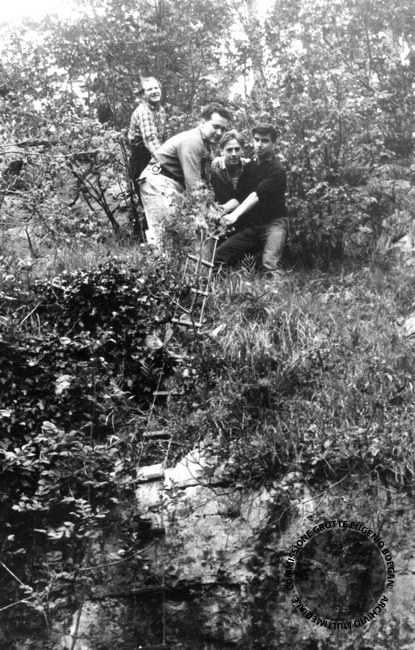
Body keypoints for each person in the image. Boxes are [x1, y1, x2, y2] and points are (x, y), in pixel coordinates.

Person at [139, 103, 232, 244]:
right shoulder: (193, 141)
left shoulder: (206, 144)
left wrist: (211, 206)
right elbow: (193, 184)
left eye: (223, 129)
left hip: (172, 184)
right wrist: (200, 215)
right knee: (167, 235)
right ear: (202, 123)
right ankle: (157, 256)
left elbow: (204, 182)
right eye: (216, 126)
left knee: (181, 234)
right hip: (158, 182)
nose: (219, 133)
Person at [214, 123, 287, 274]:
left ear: (273, 143)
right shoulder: (249, 168)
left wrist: (234, 215)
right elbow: (239, 198)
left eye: (265, 141)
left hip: (274, 224)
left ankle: (278, 287)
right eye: (256, 139)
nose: (259, 144)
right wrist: (220, 210)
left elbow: (257, 195)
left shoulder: (277, 169)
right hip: (253, 226)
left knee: (269, 264)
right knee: (218, 256)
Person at [127, 76, 167, 199]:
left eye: (156, 88)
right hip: (141, 160)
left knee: (162, 194)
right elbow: (151, 139)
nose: (154, 91)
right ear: (143, 94)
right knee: (147, 198)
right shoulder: (144, 111)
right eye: (149, 89)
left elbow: (162, 137)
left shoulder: (161, 110)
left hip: (154, 156)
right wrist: (166, 161)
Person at [210, 130, 249, 204]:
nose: (234, 154)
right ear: (221, 151)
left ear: (242, 150)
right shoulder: (214, 167)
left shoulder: (249, 167)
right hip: (219, 208)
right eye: (229, 150)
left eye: (237, 149)